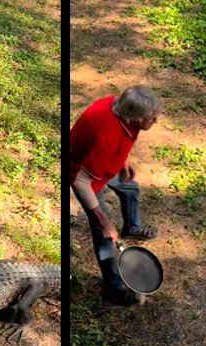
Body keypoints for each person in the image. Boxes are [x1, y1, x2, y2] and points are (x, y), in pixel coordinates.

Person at [70, 85, 161, 305]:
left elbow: (124, 135)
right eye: (151, 118)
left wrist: (123, 160)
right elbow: (81, 182)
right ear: (132, 117)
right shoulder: (106, 137)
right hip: (84, 174)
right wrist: (103, 221)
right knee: (103, 234)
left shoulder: (121, 106)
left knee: (130, 188)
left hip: (106, 161)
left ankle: (133, 227)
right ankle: (114, 287)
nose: (155, 121)